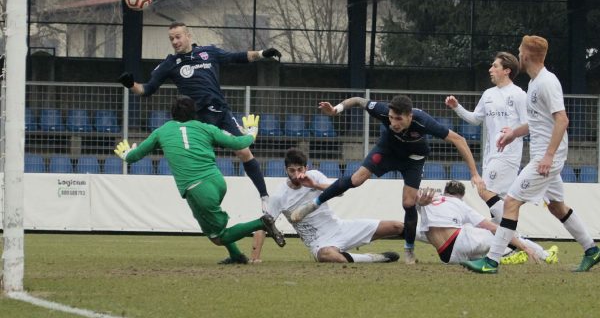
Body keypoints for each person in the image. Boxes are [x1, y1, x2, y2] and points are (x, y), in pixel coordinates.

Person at [462, 35, 600, 274]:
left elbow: (562, 120)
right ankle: (592, 250)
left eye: (519, 51)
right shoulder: (535, 84)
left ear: (526, 55)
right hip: (545, 156)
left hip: (546, 159)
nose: (518, 54)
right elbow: (538, 122)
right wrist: (514, 133)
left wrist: (548, 156)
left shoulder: (547, 82)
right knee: (557, 206)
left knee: (511, 203)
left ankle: (491, 261)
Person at [290, 94, 485, 264]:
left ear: (410, 116)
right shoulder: (383, 111)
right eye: (391, 118)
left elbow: (459, 139)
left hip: (413, 159)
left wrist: (474, 173)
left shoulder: (423, 121)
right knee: (357, 178)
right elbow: (357, 100)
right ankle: (315, 204)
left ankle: (409, 249)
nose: (393, 123)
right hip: (387, 151)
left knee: (409, 203)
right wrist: (336, 110)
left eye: (398, 119)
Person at [118, 21, 282, 211]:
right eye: (171, 39)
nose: (175, 41)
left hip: (221, 111)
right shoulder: (170, 64)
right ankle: (204, 198)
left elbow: (238, 57)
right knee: (204, 157)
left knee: (244, 151)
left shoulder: (208, 52)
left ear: (188, 36)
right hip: (200, 118)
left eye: (178, 37)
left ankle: (264, 197)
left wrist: (263, 54)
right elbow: (147, 89)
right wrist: (131, 84)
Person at [113, 95, 286, 265]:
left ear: (172, 114)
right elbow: (239, 143)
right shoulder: (206, 128)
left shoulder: (161, 131)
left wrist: (126, 154)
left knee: (218, 237)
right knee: (211, 225)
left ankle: (262, 222)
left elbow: (134, 156)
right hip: (216, 181)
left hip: (197, 188)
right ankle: (236, 256)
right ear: (194, 113)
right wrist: (252, 133)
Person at [250, 148, 403, 263]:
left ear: (306, 168)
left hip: (339, 228)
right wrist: (255, 258)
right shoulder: (279, 196)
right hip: (319, 243)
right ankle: (374, 258)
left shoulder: (315, 176)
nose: (296, 174)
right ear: (285, 170)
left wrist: (315, 185)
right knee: (328, 256)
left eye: (300, 169)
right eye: (291, 170)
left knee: (397, 226)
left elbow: (339, 191)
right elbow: (263, 225)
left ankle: (422, 238)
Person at [445, 52, 527, 224]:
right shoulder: (488, 94)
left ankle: (518, 239)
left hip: (507, 154)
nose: (490, 69)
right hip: (490, 154)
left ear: (507, 70)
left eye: (495, 66)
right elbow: (475, 119)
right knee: (500, 201)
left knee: (484, 190)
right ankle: (504, 247)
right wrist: (457, 107)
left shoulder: (518, 94)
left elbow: (529, 125)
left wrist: (513, 131)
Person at [416, 180, 558, 265]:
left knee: (468, 232)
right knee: (506, 233)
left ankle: (507, 256)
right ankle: (545, 255)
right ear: (462, 196)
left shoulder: (428, 201)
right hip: (460, 243)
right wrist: (524, 247)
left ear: (445, 191)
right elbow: (492, 227)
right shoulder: (459, 204)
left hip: (447, 257)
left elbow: (410, 210)